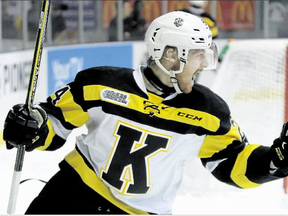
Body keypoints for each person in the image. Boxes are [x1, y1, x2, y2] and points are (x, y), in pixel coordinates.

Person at [3, 11, 288, 215]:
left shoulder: (209, 112)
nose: (204, 65)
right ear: (171, 55)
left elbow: (233, 164)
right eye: (199, 54)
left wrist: (275, 161)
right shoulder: (100, 84)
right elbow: (53, 125)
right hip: (73, 195)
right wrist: (32, 126)